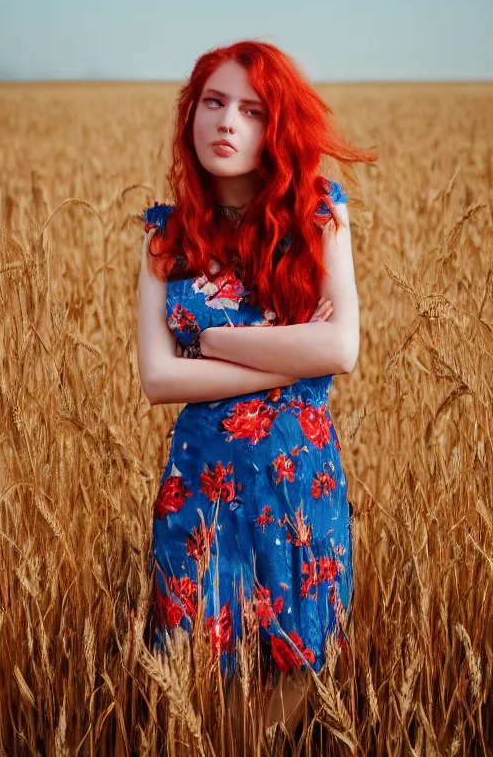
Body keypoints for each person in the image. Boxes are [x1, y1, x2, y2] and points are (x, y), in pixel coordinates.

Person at [137, 40, 376, 743]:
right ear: (191, 115)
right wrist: (291, 358)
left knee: (298, 653)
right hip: (200, 485)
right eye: (214, 102)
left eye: (252, 109)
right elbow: (158, 378)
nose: (228, 122)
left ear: (278, 128)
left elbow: (341, 348)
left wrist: (209, 340)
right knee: (194, 659)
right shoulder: (165, 235)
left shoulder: (320, 216)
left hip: (296, 480)